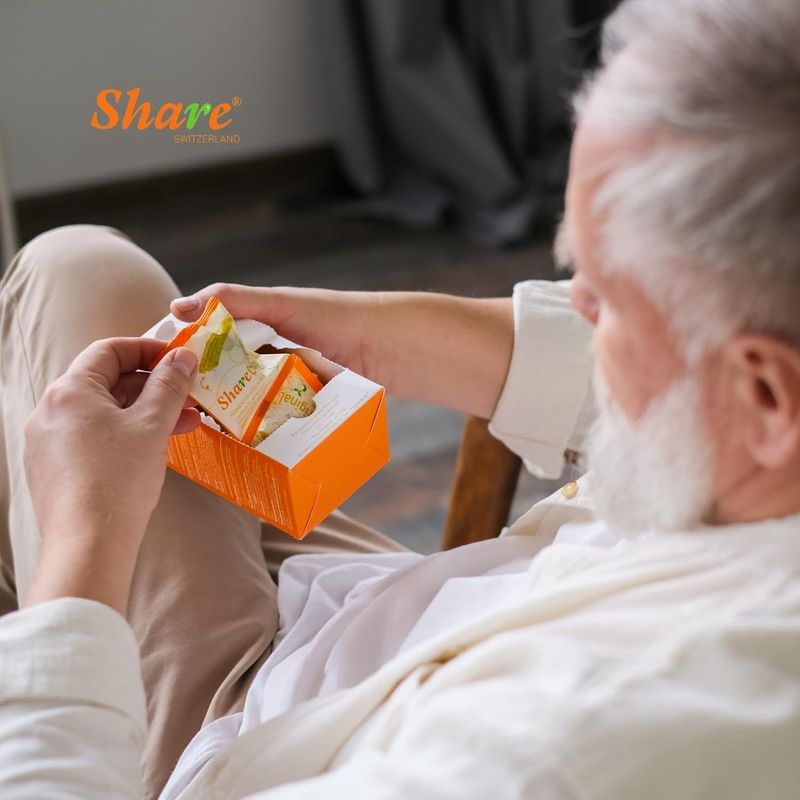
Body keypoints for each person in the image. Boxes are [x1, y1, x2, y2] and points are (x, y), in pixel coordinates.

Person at [2, 0, 800, 797]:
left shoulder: (564, 748)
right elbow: (617, 359)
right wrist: (363, 332)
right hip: (397, 627)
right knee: (87, 290)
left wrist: (86, 535)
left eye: (606, 299)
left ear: (767, 397)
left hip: (244, 752)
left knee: (67, 300)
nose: (578, 310)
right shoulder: (757, 432)